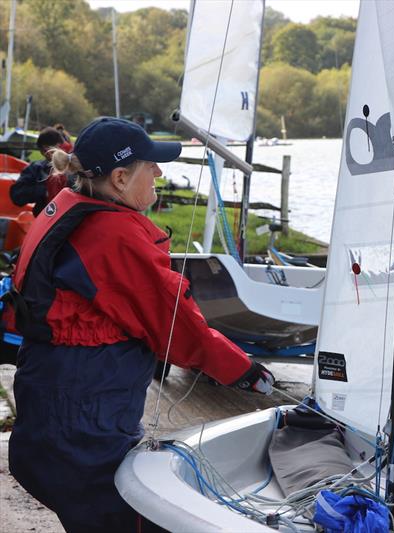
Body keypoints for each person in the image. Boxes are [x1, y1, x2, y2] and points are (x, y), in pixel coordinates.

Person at [6, 117, 276, 532]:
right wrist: (244, 371)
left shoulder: (66, 206)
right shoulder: (113, 235)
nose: (160, 173)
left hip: (51, 393)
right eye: (151, 164)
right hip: (82, 411)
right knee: (124, 517)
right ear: (118, 178)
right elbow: (176, 325)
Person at [9, 126, 73, 215]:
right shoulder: (37, 169)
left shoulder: (76, 165)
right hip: (46, 218)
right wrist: (45, 190)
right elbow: (17, 195)